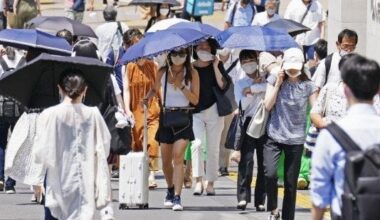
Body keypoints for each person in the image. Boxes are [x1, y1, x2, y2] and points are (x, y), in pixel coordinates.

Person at [32, 71, 112, 220]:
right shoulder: (93, 114)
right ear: (85, 89)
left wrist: (37, 180)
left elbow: (40, 151)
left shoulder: (49, 114)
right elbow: (103, 146)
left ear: (60, 89)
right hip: (85, 182)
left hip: (58, 182)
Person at [310, 55, 380, 220]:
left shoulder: (330, 135)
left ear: (346, 89)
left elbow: (320, 196)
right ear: (378, 89)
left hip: (346, 213)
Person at [263, 47, 318, 220]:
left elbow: (315, 110)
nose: (292, 71)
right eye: (290, 67)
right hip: (274, 135)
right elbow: (267, 105)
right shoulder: (274, 79)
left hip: (296, 139)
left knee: (290, 184)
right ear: (283, 65)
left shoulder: (309, 86)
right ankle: (273, 208)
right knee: (269, 173)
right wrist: (278, 84)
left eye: (296, 67)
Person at [146, 47, 199, 211]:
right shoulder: (162, 71)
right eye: (174, 54)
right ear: (169, 55)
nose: (178, 57)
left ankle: (177, 196)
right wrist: (147, 98)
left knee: (178, 158)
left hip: (183, 118)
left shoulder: (192, 73)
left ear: (187, 55)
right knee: (166, 161)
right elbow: (155, 89)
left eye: (182, 54)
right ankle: (170, 188)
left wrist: (181, 86)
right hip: (166, 117)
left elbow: (195, 100)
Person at [191, 39, 230, 196]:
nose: (203, 48)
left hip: (214, 110)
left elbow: (223, 85)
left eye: (206, 46)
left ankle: (211, 182)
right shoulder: (191, 67)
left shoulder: (217, 65)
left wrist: (215, 65)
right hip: (195, 111)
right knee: (197, 145)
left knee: (213, 147)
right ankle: (198, 180)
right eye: (200, 46)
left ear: (212, 48)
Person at [232, 50, 266, 211]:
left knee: (264, 163)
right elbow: (242, 105)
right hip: (247, 122)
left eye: (251, 60)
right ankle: (243, 197)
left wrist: (254, 88)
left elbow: (270, 87)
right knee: (246, 161)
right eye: (244, 61)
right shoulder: (239, 83)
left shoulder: (266, 77)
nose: (248, 64)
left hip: (266, 123)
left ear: (257, 60)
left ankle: (260, 200)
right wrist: (253, 88)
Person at [123, 55, 161, 189]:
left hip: (152, 109)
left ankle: (151, 174)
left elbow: (159, 88)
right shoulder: (129, 67)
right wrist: (127, 109)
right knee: (138, 142)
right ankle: (139, 173)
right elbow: (126, 90)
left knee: (152, 140)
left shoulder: (154, 66)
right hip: (136, 110)